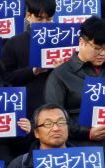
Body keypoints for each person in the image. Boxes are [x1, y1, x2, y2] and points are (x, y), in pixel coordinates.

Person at [45, 16, 105, 146]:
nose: (102, 54)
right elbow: (53, 115)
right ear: (81, 42)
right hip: (80, 147)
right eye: (97, 48)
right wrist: (87, 133)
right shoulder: (60, 74)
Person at [2, 0, 56, 118]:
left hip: (56, 103)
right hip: (27, 106)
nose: (44, 23)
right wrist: (33, 71)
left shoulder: (61, 40)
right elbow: (5, 76)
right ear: (28, 16)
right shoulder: (14, 42)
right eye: (39, 19)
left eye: (49, 19)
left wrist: (63, 67)